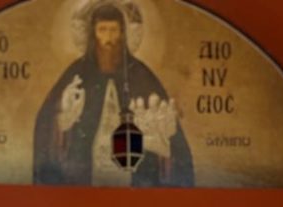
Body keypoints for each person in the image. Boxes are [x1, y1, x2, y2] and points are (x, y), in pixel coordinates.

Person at [33, 2, 194, 187]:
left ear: (123, 33)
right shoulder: (76, 75)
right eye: (102, 30)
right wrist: (62, 119)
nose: (108, 39)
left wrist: (162, 144)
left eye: (113, 30)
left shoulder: (141, 76)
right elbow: (46, 127)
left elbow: (171, 141)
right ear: (92, 34)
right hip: (81, 190)